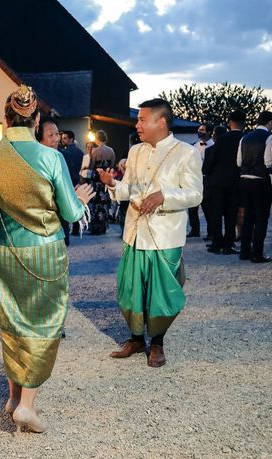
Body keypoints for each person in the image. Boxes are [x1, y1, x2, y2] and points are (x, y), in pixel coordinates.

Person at [0, 85, 94, 433]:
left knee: (12, 322)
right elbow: (68, 210)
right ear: (36, 120)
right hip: (44, 251)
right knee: (43, 323)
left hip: (5, 251)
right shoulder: (50, 157)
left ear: (5, 119)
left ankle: (13, 397)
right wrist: (81, 198)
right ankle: (27, 407)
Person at [99, 98, 202, 368]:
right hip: (134, 231)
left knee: (161, 293)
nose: (138, 124)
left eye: (142, 119)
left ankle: (157, 343)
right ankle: (135, 339)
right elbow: (130, 189)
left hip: (164, 234)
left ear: (162, 122)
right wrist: (114, 185)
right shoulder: (135, 151)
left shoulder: (186, 153)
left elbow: (195, 194)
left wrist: (164, 196)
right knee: (130, 289)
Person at [237, 110, 272, 263]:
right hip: (260, 181)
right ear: (270, 122)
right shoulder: (270, 137)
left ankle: (245, 251)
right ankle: (257, 253)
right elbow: (268, 162)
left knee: (248, 217)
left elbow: (238, 162)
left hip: (244, 179)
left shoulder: (244, 137)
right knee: (261, 218)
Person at [204, 112, 246, 255]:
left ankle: (216, 243)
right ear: (244, 123)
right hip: (236, 182)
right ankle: (228, 244)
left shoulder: (221, 139)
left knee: (216, 214)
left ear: (229, 122)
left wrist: (208, 173)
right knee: (231, 214)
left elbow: (212, 160)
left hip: (218, 182)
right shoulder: (244, 139)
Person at [37, 117, 75, 246]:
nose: (56, 138)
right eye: (51, 135)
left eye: (57, 134)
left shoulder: (65, 156)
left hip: (62, 216)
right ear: (39, 138)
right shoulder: (35, 159)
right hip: (42, 221)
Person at [188, 122, 214, 238]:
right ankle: (195, 230)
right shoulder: (194, 146)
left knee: (207, 207)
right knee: (192, 207)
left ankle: (210, 232)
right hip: (195, 179)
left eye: (202, 130)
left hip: (207, 179)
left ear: (209, 132)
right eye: (199, 129)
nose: (199, 131)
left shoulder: (214, 145)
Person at [89, 130, 116, 234]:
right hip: (106, 180)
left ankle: (95, 227)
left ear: (97, 138)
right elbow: (112, 165)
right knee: (104, 204)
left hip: (96, 180)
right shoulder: (111, 151)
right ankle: (103, 226)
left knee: (95, 204)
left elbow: (92, 166)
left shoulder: (95, 151)